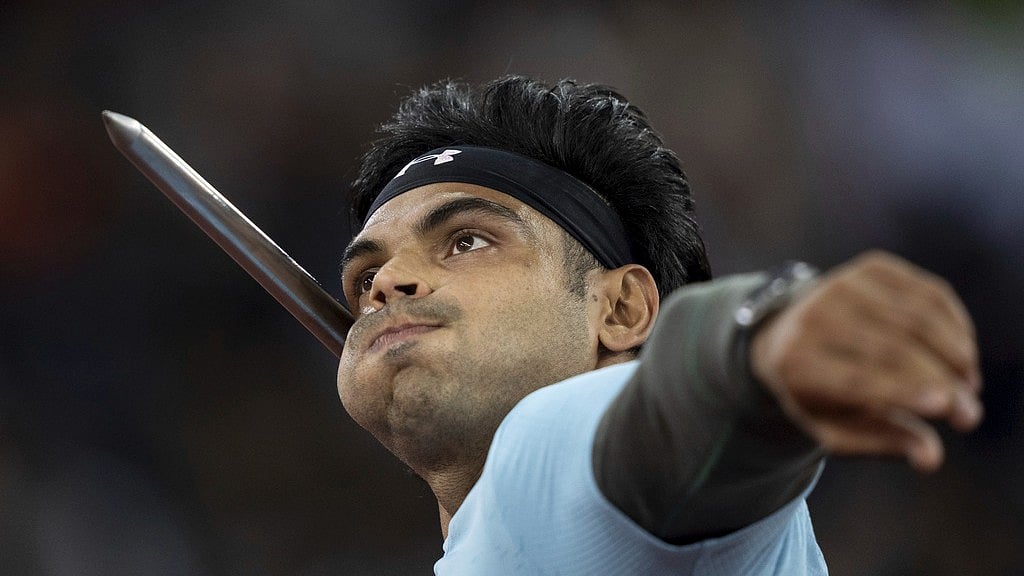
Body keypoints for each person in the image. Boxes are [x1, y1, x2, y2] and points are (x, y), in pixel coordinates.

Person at [335, 76, 983, 574]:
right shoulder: (500, 541)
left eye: (467, 241)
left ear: (620, 310)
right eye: (366, 278)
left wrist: (748, 346)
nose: (389, 283)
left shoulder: (545, 455)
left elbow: (656, 418)